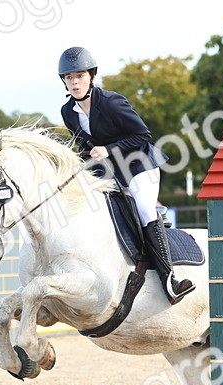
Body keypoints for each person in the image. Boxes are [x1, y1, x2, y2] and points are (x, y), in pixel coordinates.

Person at [57, 46, 195, 304]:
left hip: (140, 162)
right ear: (63, 81)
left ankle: (170, 281)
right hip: (110, 167)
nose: (74, 82)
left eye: (79, 76)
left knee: (144, 209)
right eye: (69, 78)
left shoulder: (111, 102)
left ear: (91, 77)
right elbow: (84, 144)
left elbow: (143, 135)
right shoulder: (67, 112)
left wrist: (107, 150)